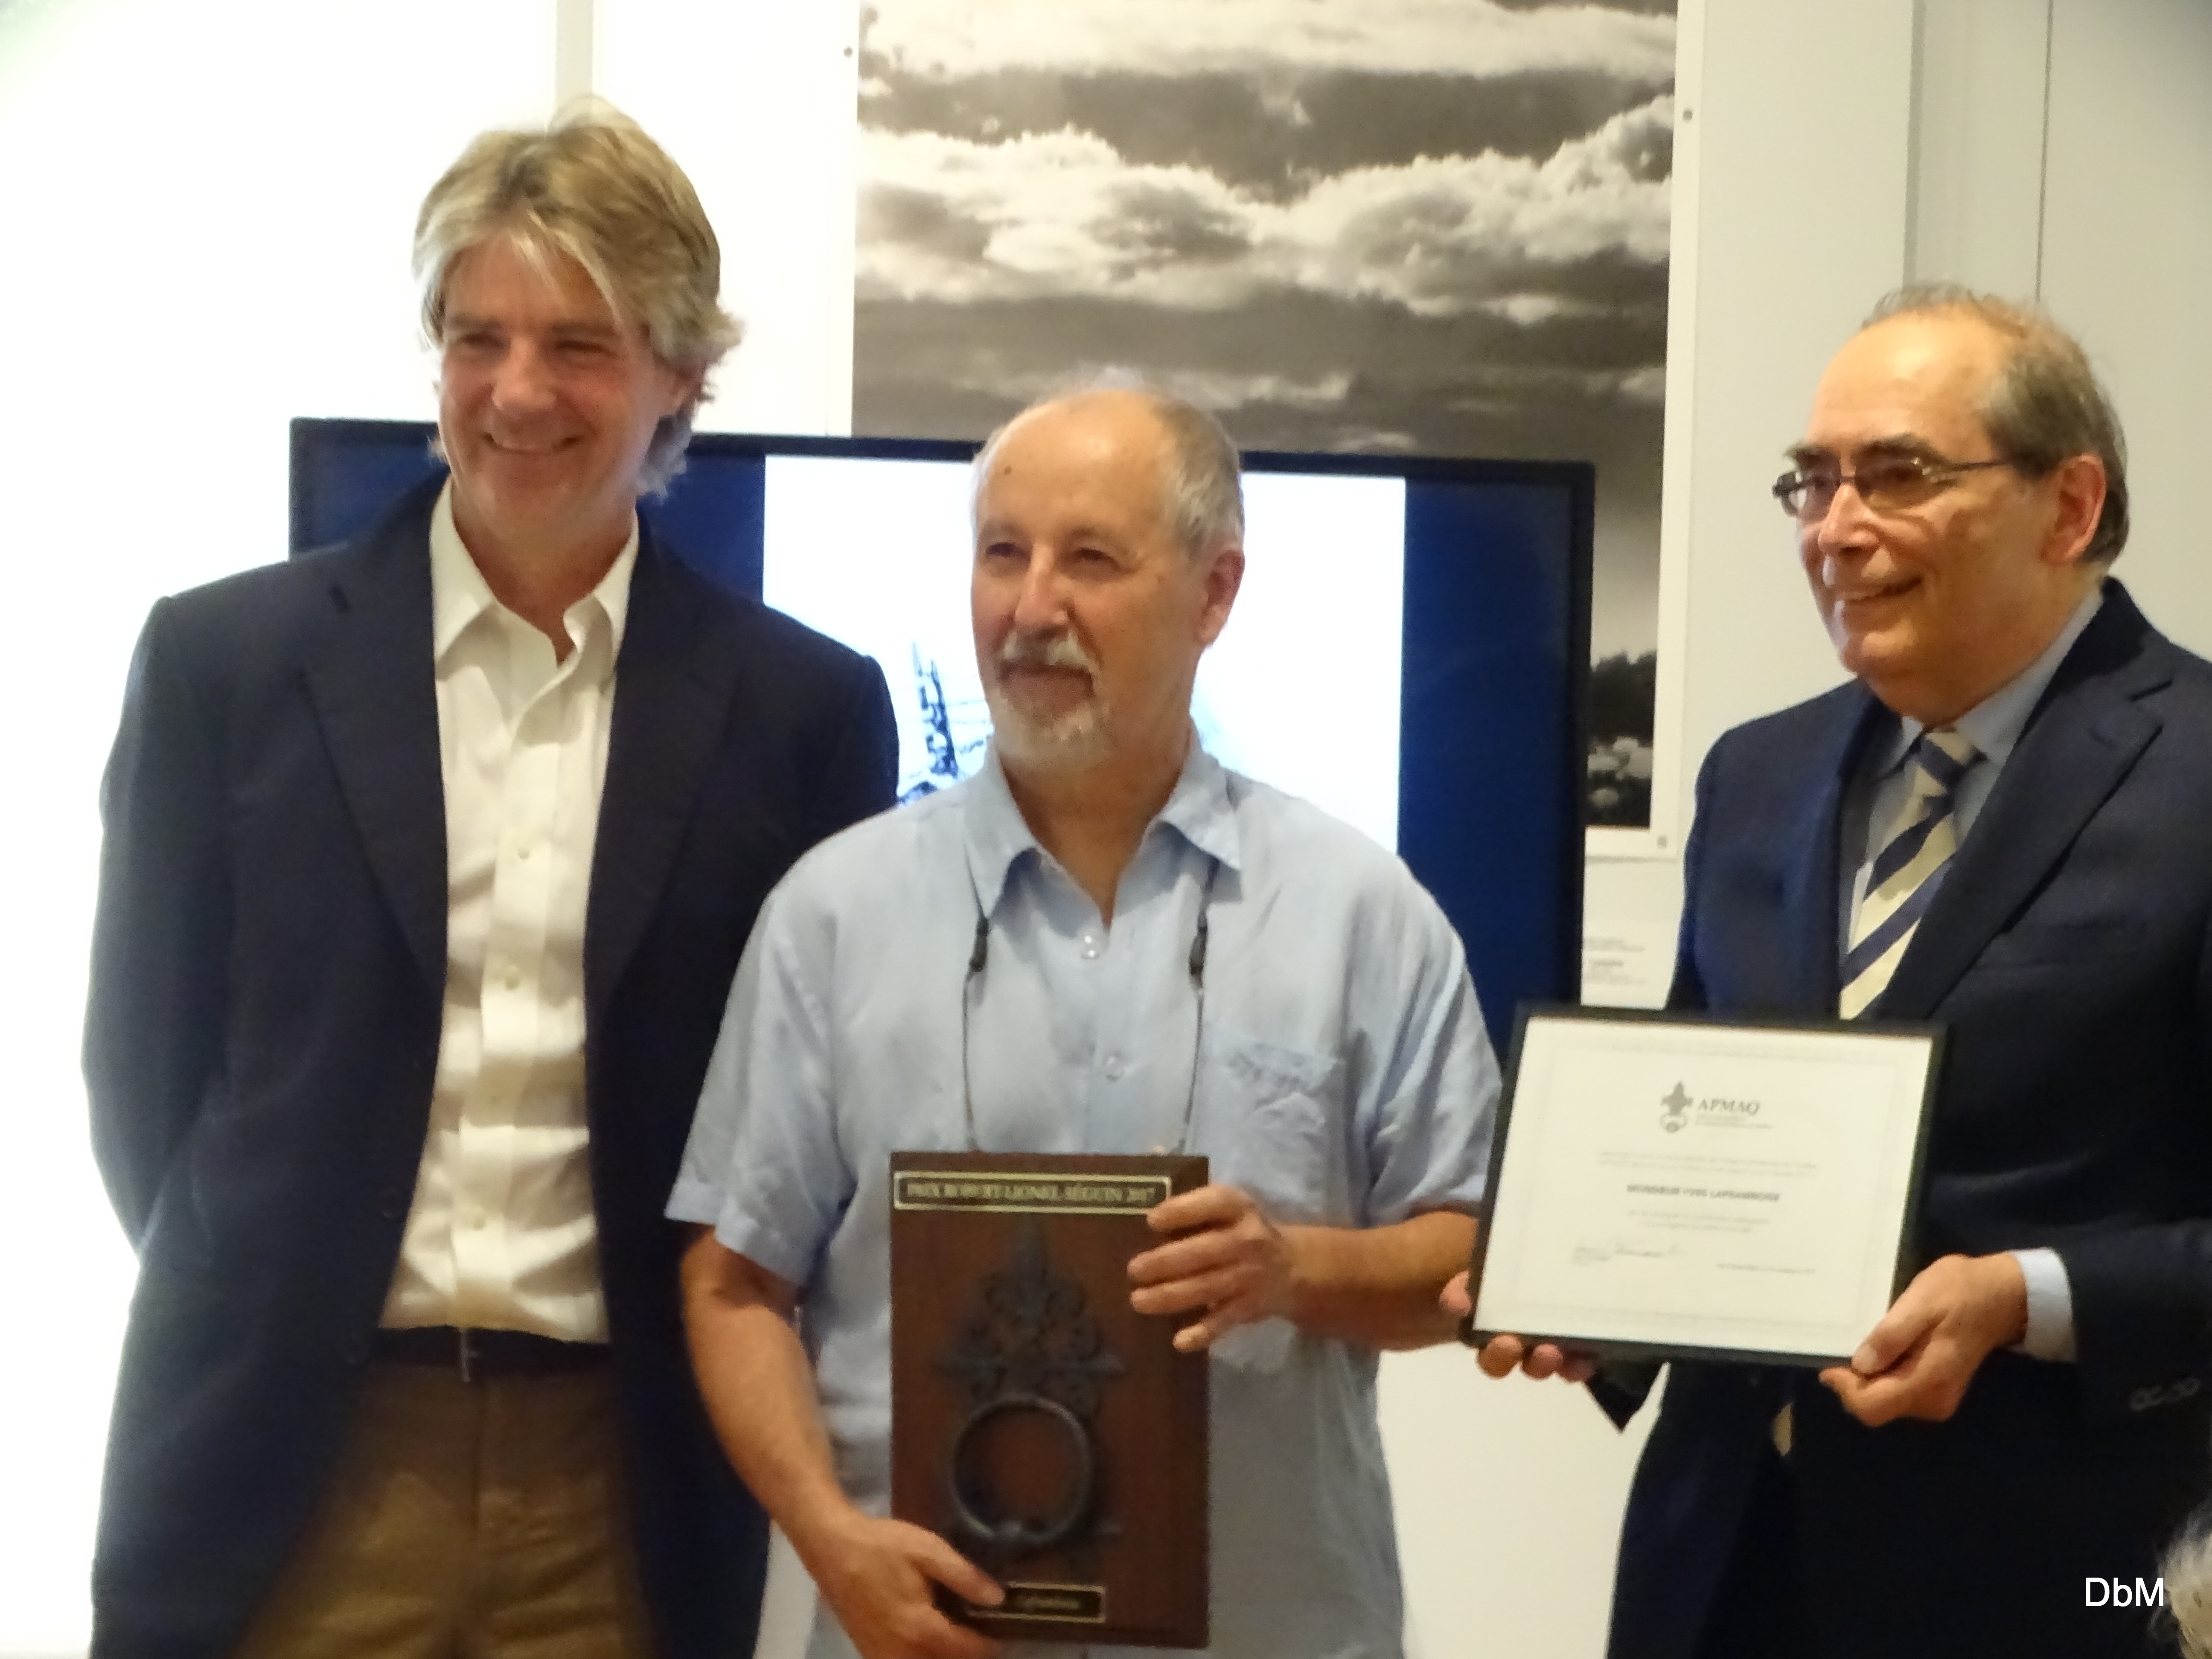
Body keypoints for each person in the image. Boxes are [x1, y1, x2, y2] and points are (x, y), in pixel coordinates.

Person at [83, 106, 896, 1659]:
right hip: (291, 1469)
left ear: (681, 375)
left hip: (624, 1487)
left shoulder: (802, 714)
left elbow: (812, 1139)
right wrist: (269, 1289)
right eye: (478, 338)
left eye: (579, 345)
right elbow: (142, 1082)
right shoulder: (225, 667)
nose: (517, 392)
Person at [671, 382, 1499, 1659]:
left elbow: (1473, 1258)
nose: (1031, 608)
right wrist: (830, 1542)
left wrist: (1299, 1269)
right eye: (1003, 554)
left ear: (1216, 593)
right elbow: (735, 1284)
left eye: (1092, 560)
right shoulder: (831, 914)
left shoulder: (1360, 911)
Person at [1464, 285, 2212, 1657]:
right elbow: (1702, 1114)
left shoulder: (2200, 774)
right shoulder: (1756, 775)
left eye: (1898, 476)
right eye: (1811, 482)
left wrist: (2028, 1300)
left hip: (2065, 1584)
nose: (1836, 529)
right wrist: (1597, 1301)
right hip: (1725, 1565)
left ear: (2068, 505)